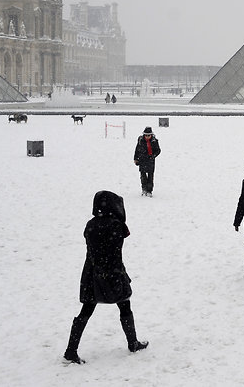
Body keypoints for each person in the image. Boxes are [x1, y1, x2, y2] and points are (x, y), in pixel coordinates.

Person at [63, 190, 148, 364]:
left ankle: (71, 350)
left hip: (91, 272)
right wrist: (117, 273)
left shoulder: (91, 224)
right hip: (112, 271)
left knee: (87, 309)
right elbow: (115, 251)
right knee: (125, 305)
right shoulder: (116, 225)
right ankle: (132, 343)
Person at [133, 127, 161, 197]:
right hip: (142, 160)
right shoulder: (140, 141)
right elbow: (137, 150)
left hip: (150, 161)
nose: (147, 137)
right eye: (146, 135)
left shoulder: (154, 141)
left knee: (150, 176)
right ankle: (144, 189)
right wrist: (136, 159)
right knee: (143, 176)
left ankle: (149, 191)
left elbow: (158, 150)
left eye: (149, 135)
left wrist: (153, 156)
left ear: (151, 135)